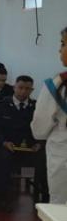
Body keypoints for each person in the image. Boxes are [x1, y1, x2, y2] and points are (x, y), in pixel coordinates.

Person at [0, 75, 48, 208]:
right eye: (20, 88)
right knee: (3, 159)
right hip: (8, 146)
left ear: (32, 90)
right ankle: (2, 198)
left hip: (31, 149)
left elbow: (43, 127)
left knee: (44, 159)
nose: (23, 91)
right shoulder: (2, 105)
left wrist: (39, 143)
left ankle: (44, 198)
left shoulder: (36, 107)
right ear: (14, 87)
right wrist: (3, 142)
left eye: (27, 89)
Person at [31, 26, 67, 204]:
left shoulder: (58, 84)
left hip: (63, 151)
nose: (59, 49)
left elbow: (39, 129)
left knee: (60, 208)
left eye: (63, 43)